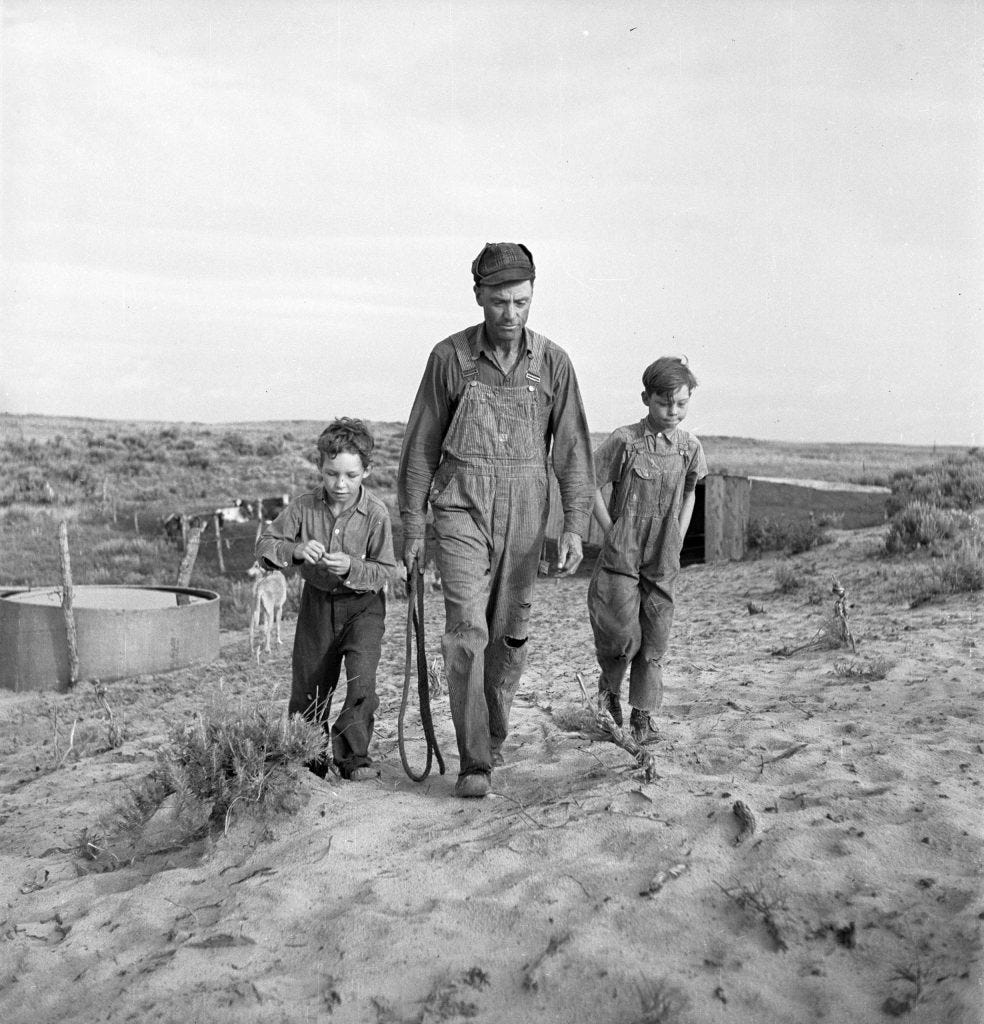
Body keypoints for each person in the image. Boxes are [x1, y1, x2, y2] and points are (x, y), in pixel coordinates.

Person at [398, 242, 595, 799]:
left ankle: (492, 734)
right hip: (460, 506)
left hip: (527, 514)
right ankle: (474, 762)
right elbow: (420, 449)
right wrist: (412, 527)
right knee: (467, 630)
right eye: (500, 302)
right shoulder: (449, 358)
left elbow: (573, 450)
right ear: (479, 296)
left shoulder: (553, 363)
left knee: (508, 637)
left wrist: (574, 524)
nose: (511, 314)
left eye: (521, 302)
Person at [256, 417, 397, 781]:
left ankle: (353, 759)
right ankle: (310, 762)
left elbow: (385, 570)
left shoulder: (376, 514)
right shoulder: (303, 507)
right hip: (316, 606)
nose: (340, 484)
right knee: (309, 688)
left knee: (361, 683)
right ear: (320, 467)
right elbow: (266, 545)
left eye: (351, 475)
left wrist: (352, 566)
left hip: (364, 608)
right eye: (332, 474)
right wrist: (297, 551)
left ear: (367, 471)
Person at [587, 357, 707, 744]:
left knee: (655, 638)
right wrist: (611, 531)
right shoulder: (625, 440)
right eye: (664, 403)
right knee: (621, 636)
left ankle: (643, 714)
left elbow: (690, 492)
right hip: (622, 553)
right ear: (646, 399)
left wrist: (679, 535)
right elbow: (589, 483)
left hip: (663, 555)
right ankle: (608, 694)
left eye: (681, 404)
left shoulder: (690, 447)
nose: (673, 412)